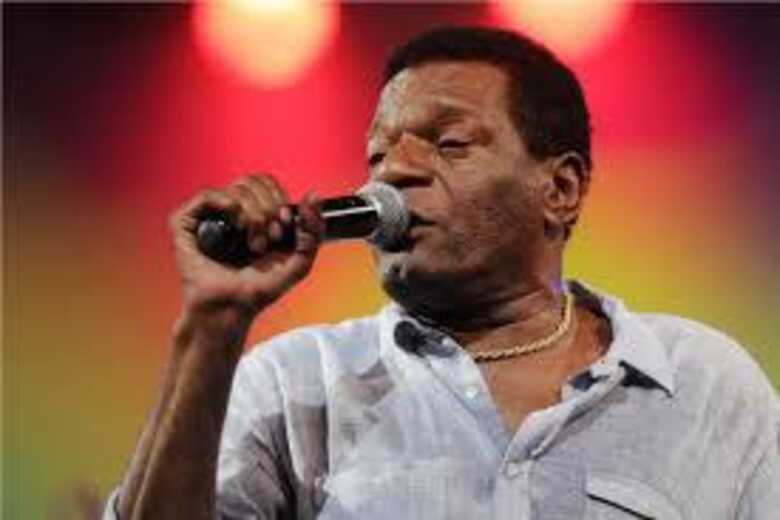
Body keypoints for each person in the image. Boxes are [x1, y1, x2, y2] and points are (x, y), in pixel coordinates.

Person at [104, 26, 779, 519]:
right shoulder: (295, 385)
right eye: (377, 156)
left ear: (560, 189)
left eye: (450, 143)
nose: (394, 171)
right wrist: (213, 323)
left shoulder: (705, 384)